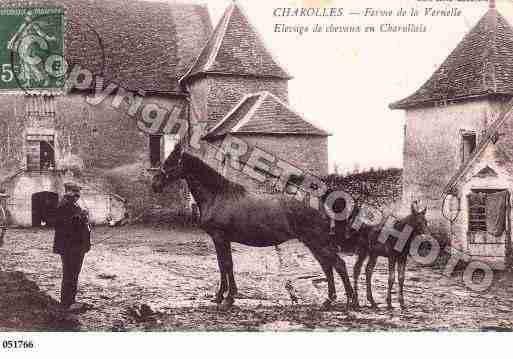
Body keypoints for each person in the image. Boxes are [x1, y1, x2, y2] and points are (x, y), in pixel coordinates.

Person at [53, 182, 91, 311]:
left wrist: (83, 218)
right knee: (70, 274)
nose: (78, 195)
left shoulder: (72, 205)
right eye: (75, 192)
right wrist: (81, 217)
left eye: (78, 192)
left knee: (73, 274)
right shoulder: (64, 206)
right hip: (70, 247)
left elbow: (76, 223)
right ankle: (67, 303)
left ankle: (70, 301)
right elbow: (63, 225)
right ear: (68, 191)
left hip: (76, 247)